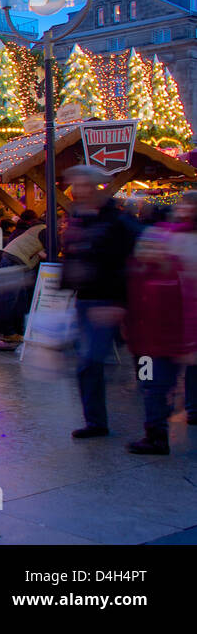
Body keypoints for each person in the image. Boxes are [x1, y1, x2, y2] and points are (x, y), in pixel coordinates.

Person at [59, 165, 142, 439]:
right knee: (88, 361)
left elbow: (129, 260)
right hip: (85, 299)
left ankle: (144, 413)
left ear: (96, 187)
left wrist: (119, 301)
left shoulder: (115, 221)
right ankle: (96, 420)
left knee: (89, 360)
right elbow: (75, 256)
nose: (78, 190)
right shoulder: (80, 218)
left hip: (107, 301)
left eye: (83, 185)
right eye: (75, 185)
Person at [122, 192, 197, 454]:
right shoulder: (139, 271)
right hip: (144, 344)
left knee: (157, 387)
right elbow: (133, 305)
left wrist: (188, 344)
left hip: (166, 344)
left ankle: (157, 434)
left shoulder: (172, 274)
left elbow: (186, 309)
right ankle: (158, 428)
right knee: (149, 386)